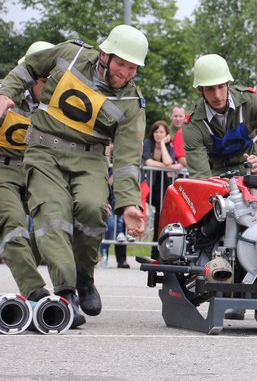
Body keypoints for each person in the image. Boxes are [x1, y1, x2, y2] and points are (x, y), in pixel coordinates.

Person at [0, 24, 149, 328]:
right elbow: (29, 67)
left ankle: (84, 278)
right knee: (52, 216)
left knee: (94, 209)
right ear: (105, 55)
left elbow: (127, 157)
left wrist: (129, 203)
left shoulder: (133, 103)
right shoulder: (72, 53)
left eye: (133, 68)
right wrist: (5, 94)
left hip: (90, 157)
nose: (125, 73)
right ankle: (65, 294)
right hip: (43, 151)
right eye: (121, 63)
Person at [0, 41, 54, 302]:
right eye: (45, 81)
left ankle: (69, 290)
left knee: (57, 219)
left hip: (37, 171)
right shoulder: (5, 95)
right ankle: (35, 291)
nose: (51, 87)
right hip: (3, 171)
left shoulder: (59, 105)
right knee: (13, 222)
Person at [183, 54, 257, 178]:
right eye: (210, 89)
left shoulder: (252, 101)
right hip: (217, 177)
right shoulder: (193, 123)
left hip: (255, 170)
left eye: (221, 86)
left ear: (228, 84)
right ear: (200, 89)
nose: (217, 95)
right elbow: (201, 176)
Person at [143, 120, 181, 260]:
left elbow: (168, 160)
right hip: (148, 184)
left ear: (166, 135)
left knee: (160, 219)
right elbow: (148, 162)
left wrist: (164, 145)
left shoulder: (168, 146)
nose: (158, 134)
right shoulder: (147, 144)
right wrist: (168, 167)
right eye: (156, 131)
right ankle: (121, 257)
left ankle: (157, 253)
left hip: (162, 185)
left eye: (162, 132)